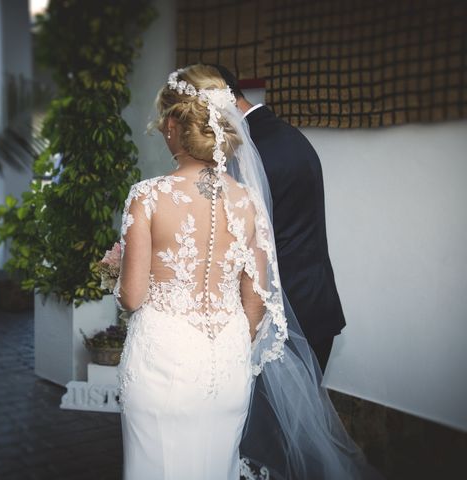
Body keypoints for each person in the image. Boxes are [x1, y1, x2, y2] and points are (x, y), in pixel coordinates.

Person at [114, 65, 380, 480]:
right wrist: (230, 343)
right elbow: (255, 301)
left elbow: (131, 297)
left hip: (163, 363)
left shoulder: (147, 197)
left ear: (172, 124)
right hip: (228, 364)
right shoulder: (249, 199)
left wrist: (122, 270)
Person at [213, 65, 345, 372]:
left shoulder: (247, 154)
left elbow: (234, 242)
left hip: (280, 318)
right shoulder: (289, 135)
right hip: (314, 302)